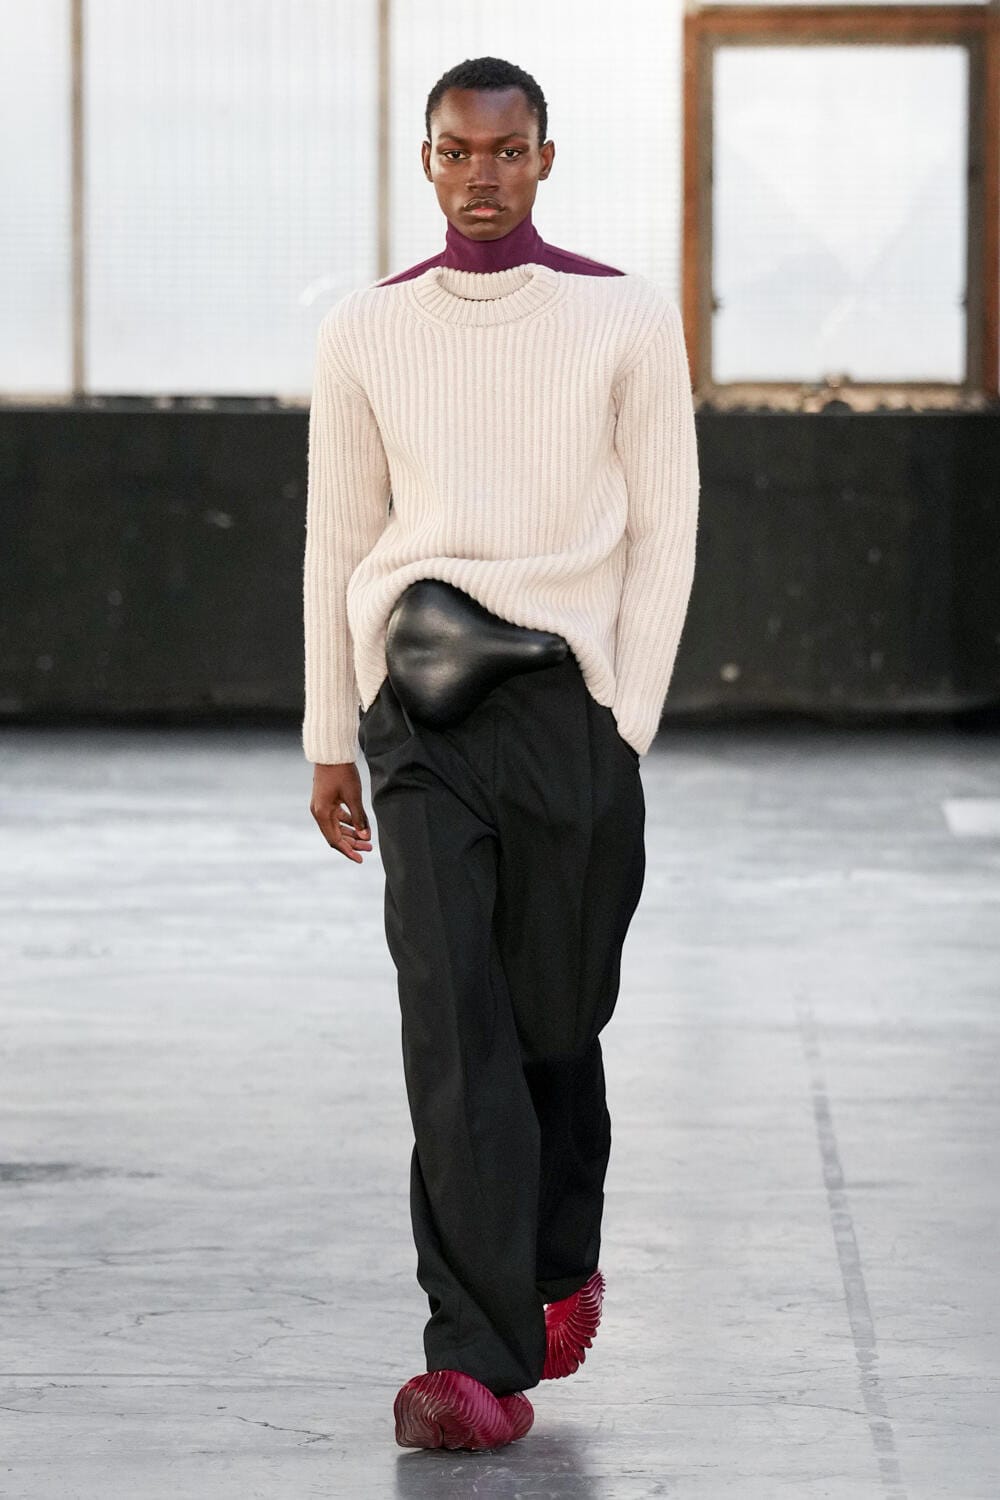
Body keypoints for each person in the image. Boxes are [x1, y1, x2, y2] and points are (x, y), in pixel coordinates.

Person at [302, 55, 700, 1452]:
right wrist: (332, 732)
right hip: (416, 714)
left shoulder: (624, 316)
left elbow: (666, 524)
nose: (482, 175)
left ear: (545, 157)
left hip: (567, 710)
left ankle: (555, 1258)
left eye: (507, 150)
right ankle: (473, 1364)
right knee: (452, 1018)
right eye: (457, 152)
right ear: (427, 161)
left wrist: (626, 717)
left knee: (551, 1015)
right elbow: (340, 535)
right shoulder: (367, 327)